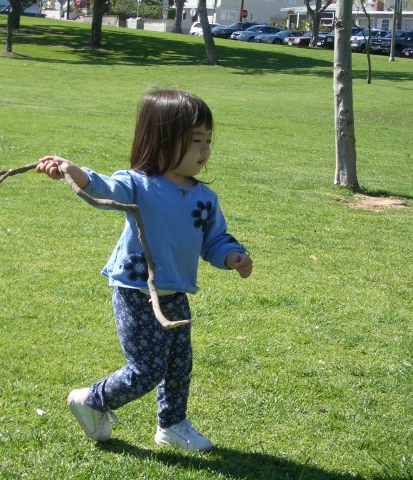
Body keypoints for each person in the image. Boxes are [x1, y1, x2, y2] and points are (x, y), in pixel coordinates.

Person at [36, 89, 253, 452]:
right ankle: (91, 400)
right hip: (136, 290)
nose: (204, 151)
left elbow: (213, 239)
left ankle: (172, 424)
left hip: (175, 293)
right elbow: (104, 187)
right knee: (147, 368)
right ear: (163, 141)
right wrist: (71, 170)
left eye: (208, 141)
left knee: (179, 365)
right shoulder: (138, 185)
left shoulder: (204, 198)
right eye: (194, 141)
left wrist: (232, 256)